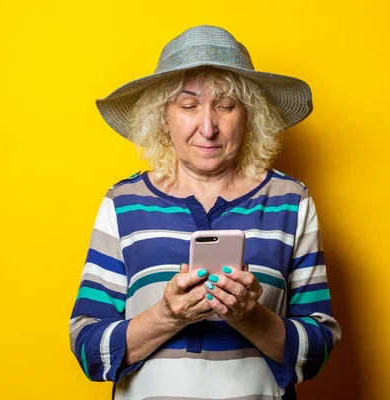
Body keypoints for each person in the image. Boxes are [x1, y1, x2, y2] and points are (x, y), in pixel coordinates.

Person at [69, 25, 341, 400]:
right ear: (163, 118)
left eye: (226, 105)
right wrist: (167, 315)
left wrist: (250, 316)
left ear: (249, 116)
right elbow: (89, 349)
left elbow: (317, 350)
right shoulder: (123, 202)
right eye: (188, 105)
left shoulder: (291, 201)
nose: (208, 127)